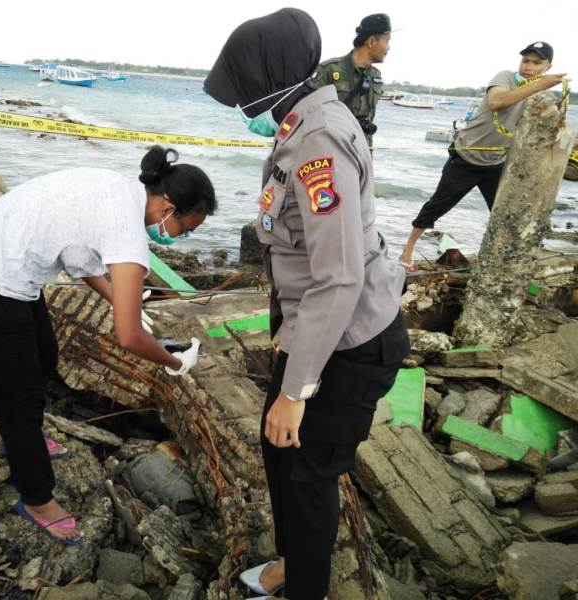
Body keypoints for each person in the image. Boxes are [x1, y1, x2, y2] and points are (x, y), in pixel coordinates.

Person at [205, 9, 409, 600]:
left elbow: (339, 277)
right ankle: (290, 563)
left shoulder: (319, 141)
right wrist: (289, 340)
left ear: (264, 77)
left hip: (353, 340)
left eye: (241, 84)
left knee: (308, 473)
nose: (239, 100)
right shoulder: (302, 120)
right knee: (277, 448)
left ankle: (305, 587)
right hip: (315, 329)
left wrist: (295, 392)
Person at [0, 146, 216, 544]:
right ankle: (37, 498)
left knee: (44, 355)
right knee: (17, 395)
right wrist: (172, 362)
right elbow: (128, 336)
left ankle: (24, 437)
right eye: (185, 230)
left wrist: (120, 301)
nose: (181, 237)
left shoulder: (120, 190)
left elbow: (78, 258)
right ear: (168, 208)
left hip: (1, 260)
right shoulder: (127, 231)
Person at [398, 42, 564, 271]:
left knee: (502, 213)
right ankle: (407, 250)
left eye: (536, 63)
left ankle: (497, 256)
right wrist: (539, 84)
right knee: (436, 206)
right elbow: (497, 102)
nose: (529, 66)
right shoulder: (505, 78)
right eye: (526, 61)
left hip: (496, 164)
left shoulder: (541, 95)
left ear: (548, 67)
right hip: (465, 159)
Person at [311, 13, 391, 148]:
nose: (388, 47)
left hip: (362, 150)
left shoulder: (375, 75)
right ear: (371, 41)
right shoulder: (329, 69)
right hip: (331, 149)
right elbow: (308, 112)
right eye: (387, 41)